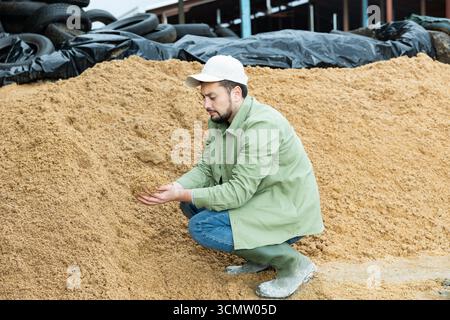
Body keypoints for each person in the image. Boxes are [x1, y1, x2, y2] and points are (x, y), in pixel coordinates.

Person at [136, 55, 324, 299]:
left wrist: (181, 192)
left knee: (202, 226)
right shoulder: (221, 121)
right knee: (190, 204)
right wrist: (177, 186)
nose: (206, 104)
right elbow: (206, 169)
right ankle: (259, 257)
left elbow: (237, 192)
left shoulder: (262, 125)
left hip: (285, 209)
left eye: (212, 96)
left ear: (236, 93)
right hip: (259, 200)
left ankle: (294, 264)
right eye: (203, 97)